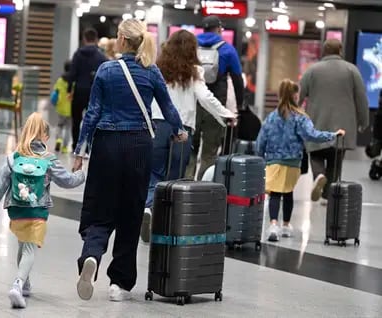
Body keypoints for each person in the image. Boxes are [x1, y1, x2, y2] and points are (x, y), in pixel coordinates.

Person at [72, 19, 187, 302]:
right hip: (138, 145)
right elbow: (168, 107)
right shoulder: (151, 71)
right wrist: (180, 130)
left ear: (121, 39)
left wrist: (80, 151)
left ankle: (92, 255)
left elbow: (93, 113)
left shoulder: (106, 70)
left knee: (100, 207)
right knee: (131, 212)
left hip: (107, 145)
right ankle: (119, 284)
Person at [140, 30, 236, 243]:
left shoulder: (157, 69)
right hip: (181, 130)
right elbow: (205, 97)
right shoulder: (194, 72)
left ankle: (148, 208)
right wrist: (226, 114)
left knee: (154, 174)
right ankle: (164, 224)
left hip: (156, 125)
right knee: (174, 178)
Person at [0, 112, 85, 309]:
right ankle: (17, 285)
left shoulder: (13, 158)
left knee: (22, 245)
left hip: (16, 211)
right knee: (29, 249)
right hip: (37, 211)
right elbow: (67, 181)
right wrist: (82, 175)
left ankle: (25, 283)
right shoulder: (48, 159)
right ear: (43, 135)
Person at [257, 79, 345, 242]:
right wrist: (333, 135)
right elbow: (312, 135)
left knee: (275, 193)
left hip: (273, 162)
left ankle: (273, 225)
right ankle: (286, 225)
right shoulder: (300, 118)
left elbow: (261, 141)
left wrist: (261, 157)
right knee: (288, 192)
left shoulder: (271, 118)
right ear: (294, 95)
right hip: (292, 163)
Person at [299, 39, 369, 205]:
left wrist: (291, 117)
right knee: (335, 159)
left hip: (316, 122)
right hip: (343, 126)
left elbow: (299, 95)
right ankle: (327, 194)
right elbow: (361, 99)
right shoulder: (352, 70)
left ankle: (318, 176)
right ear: (340, 51)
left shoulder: (312, 70)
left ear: (324, 52)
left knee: (315, 154)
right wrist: (363, 121)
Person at [187, 15, 244, 180]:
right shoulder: (227, 49)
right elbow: (237, 80)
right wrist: (238, 107)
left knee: (191, 148)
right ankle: (202, 188)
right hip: (216, 104)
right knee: (210, 152)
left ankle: (186, 186)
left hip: (194, 103)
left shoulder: (192, 46)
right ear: (219, 29)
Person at [68, 28, 107, 152]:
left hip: (79, 90)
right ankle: (89, 147)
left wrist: (69, 89)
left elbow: (72, 73)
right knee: (92, 120)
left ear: (84, 39)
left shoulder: (77, 54)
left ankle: (75, 145)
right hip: (94, 92)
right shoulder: (101, 56)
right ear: (96, 40)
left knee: (76, 119)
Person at [52, 60, 72, 153]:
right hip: (71, 109)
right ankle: (64, 147)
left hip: (60, 107)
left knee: (60, 125)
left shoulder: (60, 80)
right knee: (68, 128)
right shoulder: (74, 81)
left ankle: (58, 139)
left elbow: (55, 92)